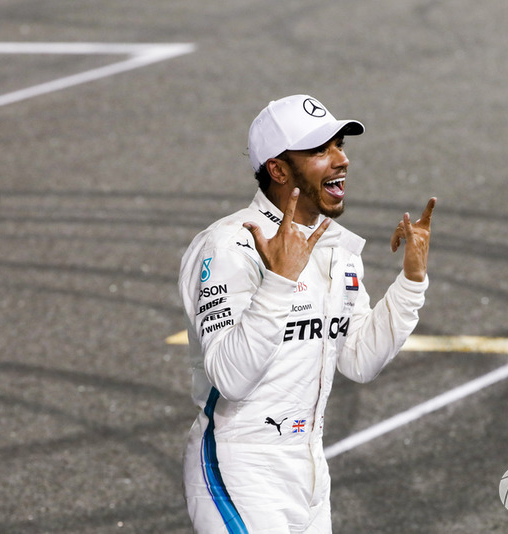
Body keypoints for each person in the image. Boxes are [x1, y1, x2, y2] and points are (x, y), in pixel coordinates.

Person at [178, 94, 435, 533]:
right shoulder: (229, 246)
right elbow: (230, 378)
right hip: (238, 465)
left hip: (310, 466)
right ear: (278, 169)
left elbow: (359, 360)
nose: (341, 161)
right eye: (320, 150)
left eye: (340, 146)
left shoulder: (337, 248)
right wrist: (278, 282)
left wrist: (410, 283)